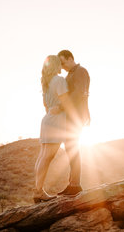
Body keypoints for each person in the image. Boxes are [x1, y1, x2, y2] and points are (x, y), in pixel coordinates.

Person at [34, 55, 70, 203]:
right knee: (47, 157)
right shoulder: (59, 80)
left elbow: (46, 105)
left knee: (43, 156)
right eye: (59, 64)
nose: (62, 67)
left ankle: (38, 190)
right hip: (56, 121)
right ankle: (38, 192)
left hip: (47, 120)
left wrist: (53, 109)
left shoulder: (46, 83)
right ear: (56, 66)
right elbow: (67, 102)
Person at [56, 50, 90, 196]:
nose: (62, 66)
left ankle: (75, 185)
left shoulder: (81, 71)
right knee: (70, 149)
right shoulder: (70, 74)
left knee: (73, 149)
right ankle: (73, 184)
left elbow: (79, 93)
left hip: (76, 116)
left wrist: (61, 106)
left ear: (70, 59)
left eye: (63, 63)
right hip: (70, 116)